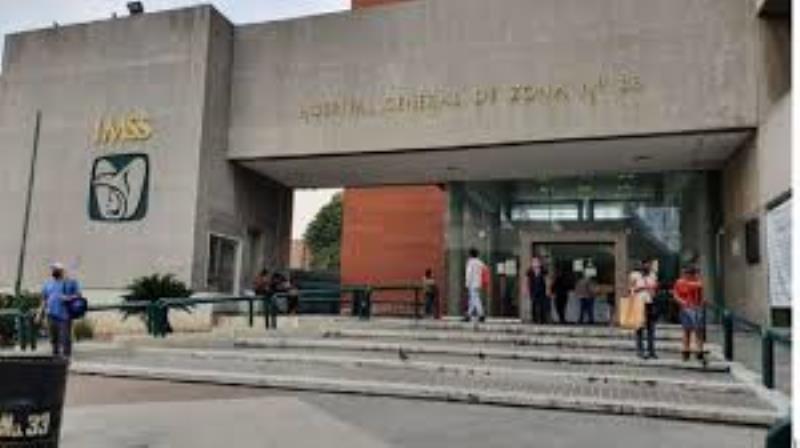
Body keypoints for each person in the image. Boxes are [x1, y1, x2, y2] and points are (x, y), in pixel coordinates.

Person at [39, 262, 81, 357]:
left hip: (64, 315)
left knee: (65, 338)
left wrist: (69, 298)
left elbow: (78, 295)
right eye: (53, 269)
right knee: (53, 338)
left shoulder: (70, 282)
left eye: (56, 270)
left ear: (61, 271)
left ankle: (66, 357)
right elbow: (44, 299)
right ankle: (55, 355)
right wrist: (39, 313)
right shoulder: (48, 284)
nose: (53, 271)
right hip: (51, 315)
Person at [673, 265, 705, 361]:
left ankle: (699, 350)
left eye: (691, 273)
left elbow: (701, 294)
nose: (689, 275)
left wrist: (700, 305)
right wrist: (681, 301)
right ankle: (686, 350)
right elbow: (676, 295)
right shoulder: (680, 282)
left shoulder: (697, 282)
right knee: (687, 330)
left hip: (696, 308)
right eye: (687, 273)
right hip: (686, 308)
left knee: (698, 330)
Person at [630, 259, 659, 359]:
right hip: (639, 302)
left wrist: (653, 290)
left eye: (649, 265)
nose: (647, 266)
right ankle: (640, 351)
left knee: (651, 328)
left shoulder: (653, 275)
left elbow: (655, 287)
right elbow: (631, 288)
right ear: (641, 265)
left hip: (650, 302)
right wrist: (641, 288)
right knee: (639, 328)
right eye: (645, 265)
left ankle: (651, 351)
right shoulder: (634, 275)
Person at [464, 248, 486, 322]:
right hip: (478, 283)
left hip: (472, 283)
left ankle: (481, 314)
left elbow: (469, 274)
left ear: (470, 254)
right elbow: (484, 269)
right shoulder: (480, 262)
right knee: (473, 299)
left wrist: (467, 283)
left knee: (474, 299)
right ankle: (469, 315)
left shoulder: (470, 262)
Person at [527, 257, 549, 324]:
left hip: (542, 290)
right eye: (534, 262)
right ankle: (535, 319)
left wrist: (547, 289)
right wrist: (527, 289)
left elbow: (547, 280)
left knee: (542, 305)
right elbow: (527, 280)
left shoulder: (543, 270)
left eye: (537, 262)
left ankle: (542, 319)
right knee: (534, 304)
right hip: (533, 290)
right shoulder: (530, 271)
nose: (535, 263)